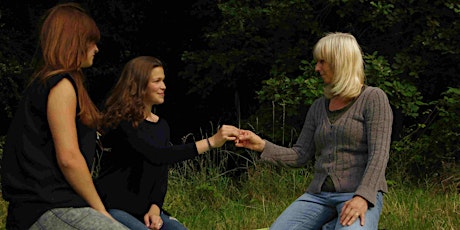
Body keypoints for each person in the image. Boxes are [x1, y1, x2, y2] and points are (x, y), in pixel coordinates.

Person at [235, 32, 393, 229]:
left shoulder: (373, 98)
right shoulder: (318, 107)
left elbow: (379, 155)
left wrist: (363, 197)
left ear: (340, 61)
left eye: (322, 61)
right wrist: (261, 145)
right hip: (318, 197)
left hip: (359, 193)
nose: (317, 68)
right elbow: (300, 155)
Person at [0, 3, 130, 230]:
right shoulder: (61, 85)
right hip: (46, 209)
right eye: (91, 41)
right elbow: (69, 158)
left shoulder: (49, 84)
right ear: (74, 41)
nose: (96, 49)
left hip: (47, 208)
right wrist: (100, 211)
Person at [94, 56, 240, 230]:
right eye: (157, 81)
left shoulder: (161, 125)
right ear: (138, 85)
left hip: (146, 211)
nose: (164, 86)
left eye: (163, 80)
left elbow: (161, 173)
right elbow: (157, 155)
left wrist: (155, 208)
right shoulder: (123, 123)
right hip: (113, 208)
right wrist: (211, 142)